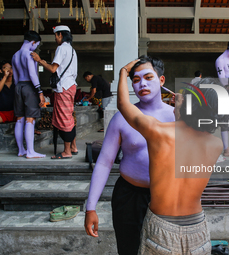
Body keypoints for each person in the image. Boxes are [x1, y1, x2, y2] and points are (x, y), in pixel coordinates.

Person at [116, 60, 223, 254]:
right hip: (198, 228)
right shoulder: (216, 144)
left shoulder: (158, 132)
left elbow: (123, 104)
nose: (176, 97)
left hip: (162, 227)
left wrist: (124, 71)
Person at [84, 55, 175, 255]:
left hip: (165, 196)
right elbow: (104, 163)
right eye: (135, 80)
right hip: (128, 196)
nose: (142, 84)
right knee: (128, 250)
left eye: (148, 77)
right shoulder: (121, 118)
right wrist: (90, 207)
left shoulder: (177, 115)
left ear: (161, 81)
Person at [31, 25, 78, 159]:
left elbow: (53, 69)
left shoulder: (61, 48)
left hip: (63, 87)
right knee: (69, 117)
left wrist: (40, 61)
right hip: (71, 86)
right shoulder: (72, 50)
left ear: (60, 35)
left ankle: (67, 152)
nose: (56, 38)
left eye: (56, 35)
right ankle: (73, 147)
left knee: (64, 119)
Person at [12, 30, 45, 159]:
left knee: (19, 119)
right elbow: (32, 74)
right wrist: (40, 91)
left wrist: (18, 88)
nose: (36, 47)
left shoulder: (15, 55)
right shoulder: (30, 54)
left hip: (18, 86)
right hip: (29, 86)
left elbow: (15, 76)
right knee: (30, 119)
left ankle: (21, 150)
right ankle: (30, 152)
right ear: (33, 42)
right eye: (36, 44)